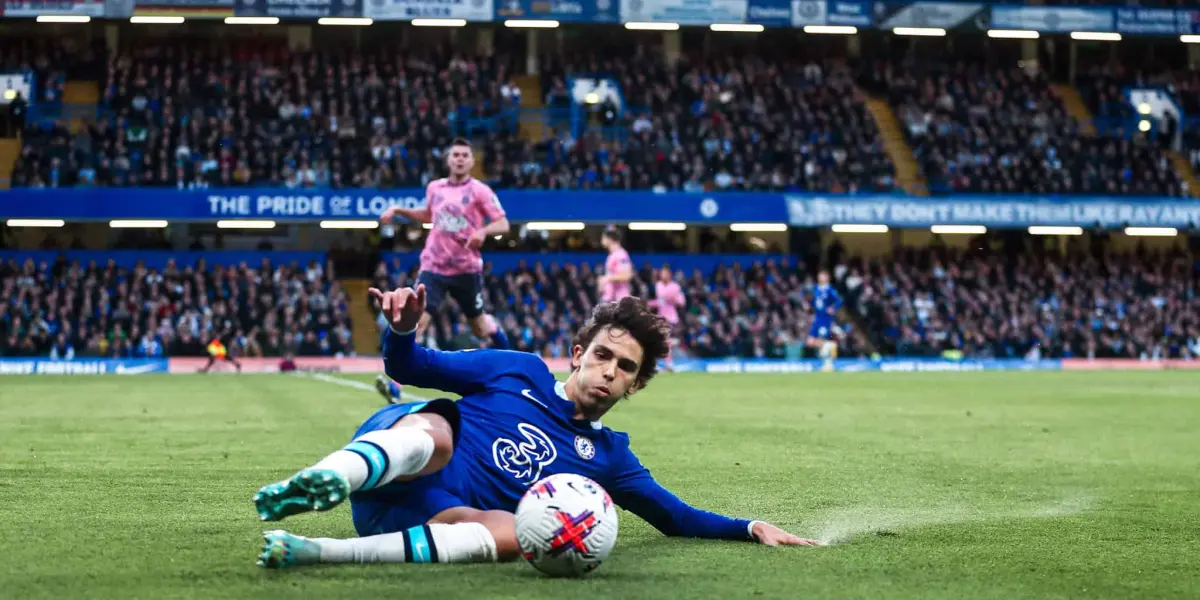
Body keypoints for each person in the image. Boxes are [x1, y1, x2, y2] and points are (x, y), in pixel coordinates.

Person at [253, 285, 819, 569]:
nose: (609, 372)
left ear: (635, 385)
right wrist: (400, 332)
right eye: (602, 356)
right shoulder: (516, 369)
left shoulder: (611, 458)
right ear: (578, 353)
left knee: (513, 532)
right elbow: (412, 368)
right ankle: (325, 477)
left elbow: (675, 518)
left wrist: (749, 527)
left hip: (420, 521)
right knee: (442, 426)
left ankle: (318, 550)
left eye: (625, 368)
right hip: (396, 459)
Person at [379, 137, 510, 351]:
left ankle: (509, 358)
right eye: (456, 155)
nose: (460, 159)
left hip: (466, 268)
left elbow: (503, 223)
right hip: (434, 266)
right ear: (448, 160)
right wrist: (398, 210)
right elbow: (428, 215)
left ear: (472, 162)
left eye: (465, 155)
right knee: (417, 321)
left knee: (480, 328)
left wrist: (483, 231)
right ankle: (396, 383)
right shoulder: (435, 188)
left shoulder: (480, 191)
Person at [650, 265, 685, 371]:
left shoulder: (675, 286)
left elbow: (682, 302)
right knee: (660, 340)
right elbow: (660, 302)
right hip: (660, 316)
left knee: (664, 340)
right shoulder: (658, 285)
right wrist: (649, 303)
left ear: (669, 275)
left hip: (670, 318)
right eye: (661, 273)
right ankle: (666, 362)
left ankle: (667, 363)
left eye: (665, 273)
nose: (663, 275)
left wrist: (674, 298)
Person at [806, 271, 843, 364]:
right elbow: (815, 302)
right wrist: (809, 307)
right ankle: (830, 346)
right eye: (819, 276)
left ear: (827, 278)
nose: (820, 277)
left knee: (820, 341)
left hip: (825, 319)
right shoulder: (816, 288)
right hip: (817, 318)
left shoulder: (830, 289)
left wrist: (833, 308)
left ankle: (827, 357)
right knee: (809, 342)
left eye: (822, 276)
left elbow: (839, 301)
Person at [598, 226, 632, 303]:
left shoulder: (621, 254)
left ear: (610, 239)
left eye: (603, 236)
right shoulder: (611, 255)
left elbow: (627, 275)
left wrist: (607, 278)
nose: (602, 239)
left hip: (619, 301)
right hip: (610, 300)